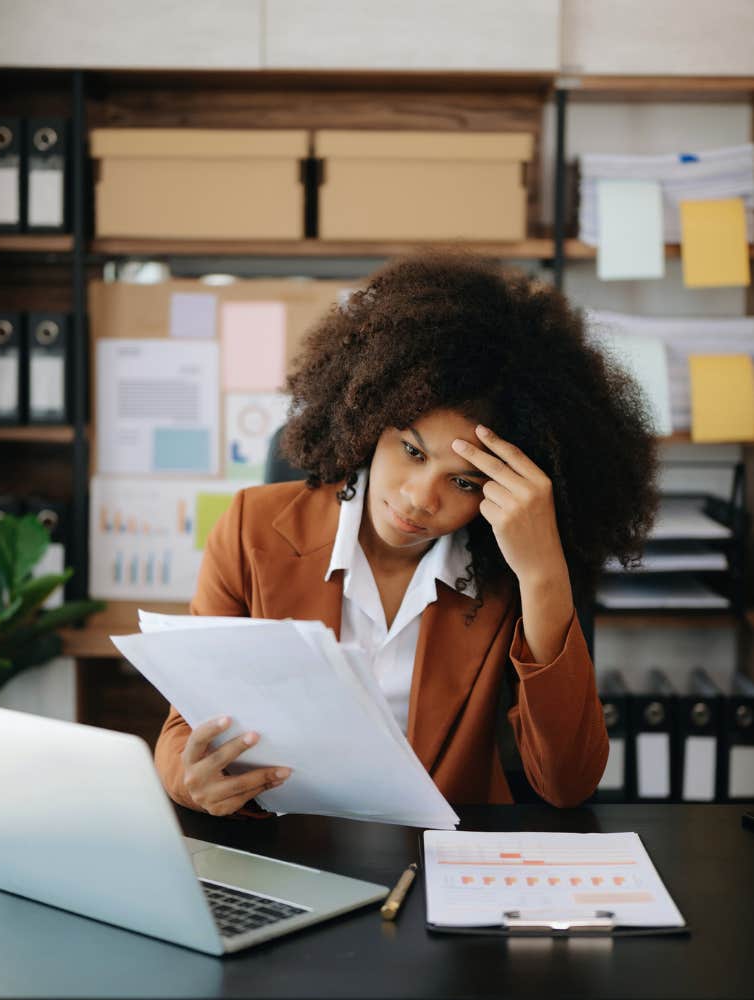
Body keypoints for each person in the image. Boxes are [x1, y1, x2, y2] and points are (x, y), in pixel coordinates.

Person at [155, 251, 658, 816]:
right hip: (290, 845)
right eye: (411, 451)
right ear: (370, 421)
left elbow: (567, 784)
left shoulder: (507, 570)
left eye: (465, 481)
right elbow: (183, 730)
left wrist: (543, 575)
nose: (422, 497)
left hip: (440, 865)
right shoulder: (253, 529)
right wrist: (188, 780)